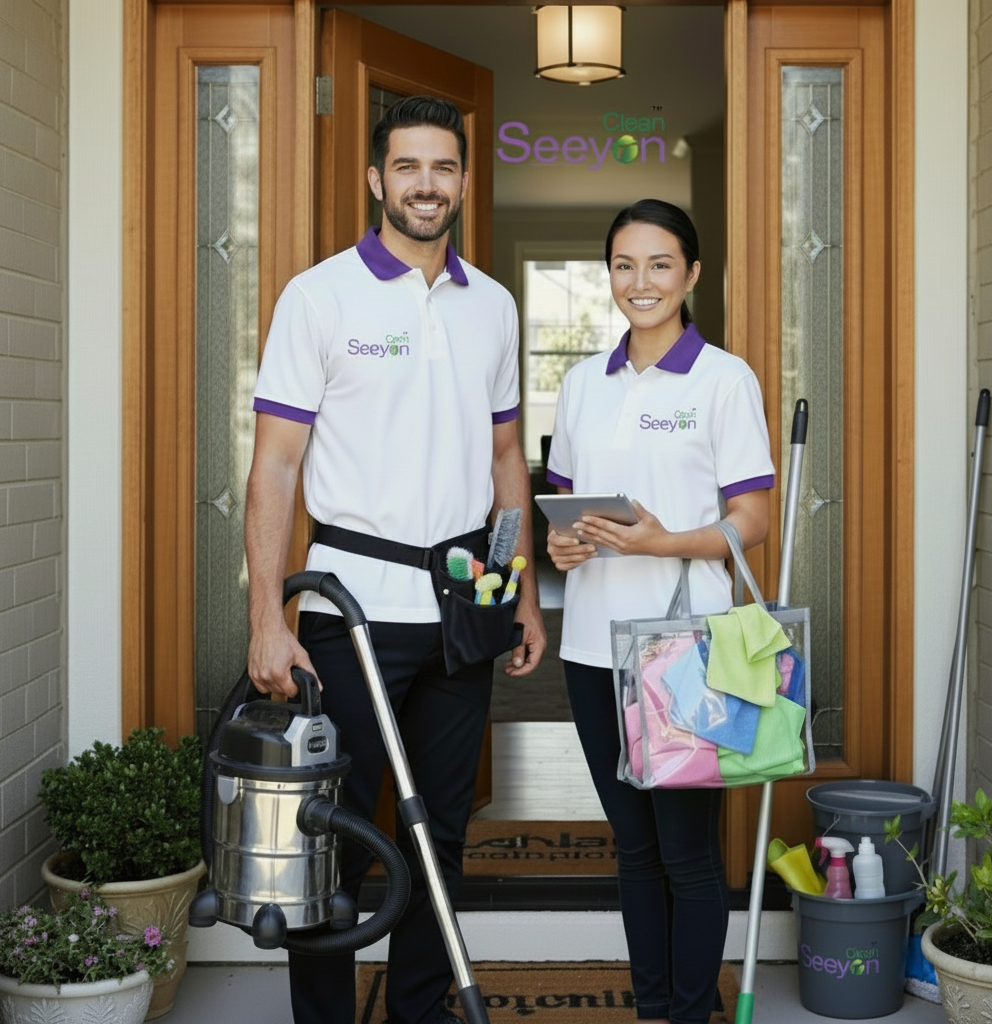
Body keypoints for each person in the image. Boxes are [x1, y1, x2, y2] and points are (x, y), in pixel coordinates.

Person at [244, 95, 546, 1024]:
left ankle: (421, 1009)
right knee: (329, 837)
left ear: (463, 179)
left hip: (460, 612)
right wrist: (269, 617)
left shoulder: (491, 305)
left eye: (444, 168)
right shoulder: (321, 294)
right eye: (408, 167)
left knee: (438, 836)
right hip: (347, 614)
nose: (427, 184)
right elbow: (276, 466)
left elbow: (505, 463)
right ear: (378, 179)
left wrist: (521, 590)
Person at [545, 199, 774, 1024]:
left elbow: (752, 521)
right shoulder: (580, 384)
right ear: (608, 274)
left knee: (686, 852)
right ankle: (652, 1009)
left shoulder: (723, 379)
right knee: (634, 850)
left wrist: (663, 541)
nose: (640, 283)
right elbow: (567, 510)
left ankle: (689, 1011)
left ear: (692, 275)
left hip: (689, 648)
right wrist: (563, 549)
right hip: (591, 650)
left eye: (659, 265)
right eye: (624, 265)